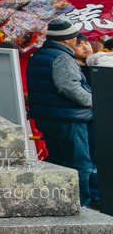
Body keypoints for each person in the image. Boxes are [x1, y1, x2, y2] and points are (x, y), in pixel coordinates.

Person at [28, 18, 96, 206]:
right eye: (75, 37)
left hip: (47, 116)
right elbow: (69, 87)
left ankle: (58, 201)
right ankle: (79, 204)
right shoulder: (62, 57)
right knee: (80, 164)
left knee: (58, 161)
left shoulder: (39, 54)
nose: (77, 40)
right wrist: (93, 102)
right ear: (67, 40)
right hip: (68, 118)